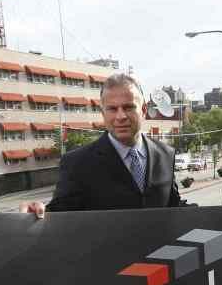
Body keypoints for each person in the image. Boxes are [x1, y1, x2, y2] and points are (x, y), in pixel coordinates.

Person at [23, 73, 185, 215]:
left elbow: (175, 208)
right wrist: (36, 211)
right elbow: (60, 215)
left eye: (128, 107)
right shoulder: (77, 164)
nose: (120, 116)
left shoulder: (166, 154)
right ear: (103, 113)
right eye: (112, 109)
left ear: (143, 110)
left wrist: (208, 217)